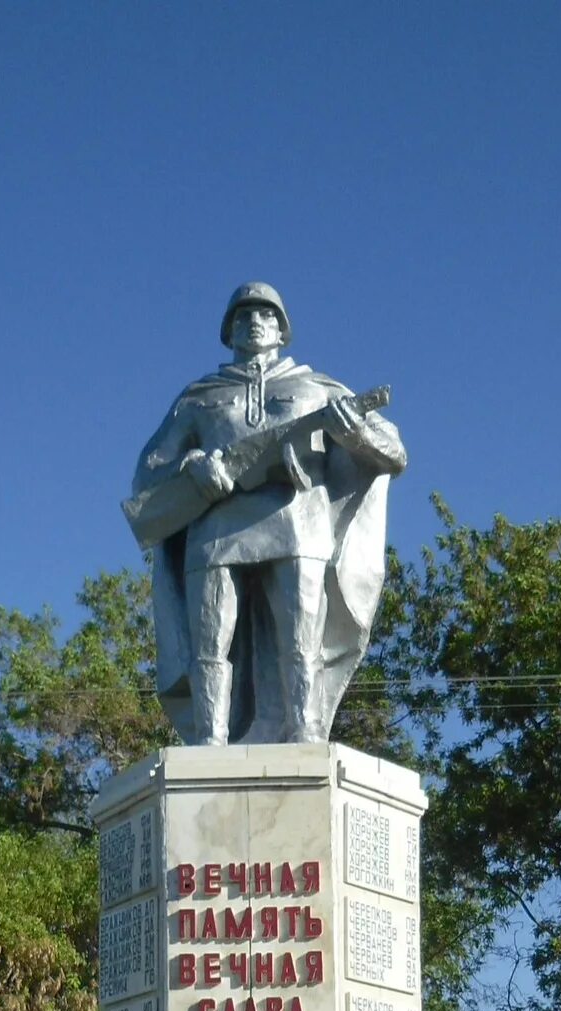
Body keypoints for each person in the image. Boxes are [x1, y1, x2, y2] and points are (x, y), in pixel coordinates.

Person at [126, 283, 406, 745]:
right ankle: (211, 737)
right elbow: (148, 470)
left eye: (265, 315)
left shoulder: (318, 389)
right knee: (209, 644)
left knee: (301, 637)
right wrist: (192, 465)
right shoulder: (199, 398)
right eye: (243, 316)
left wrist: (353, 435)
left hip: (300, 525)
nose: (254, 322)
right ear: (228, 331)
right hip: (215, 530)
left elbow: (395, 452)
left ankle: (305, 728)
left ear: (282, 329)